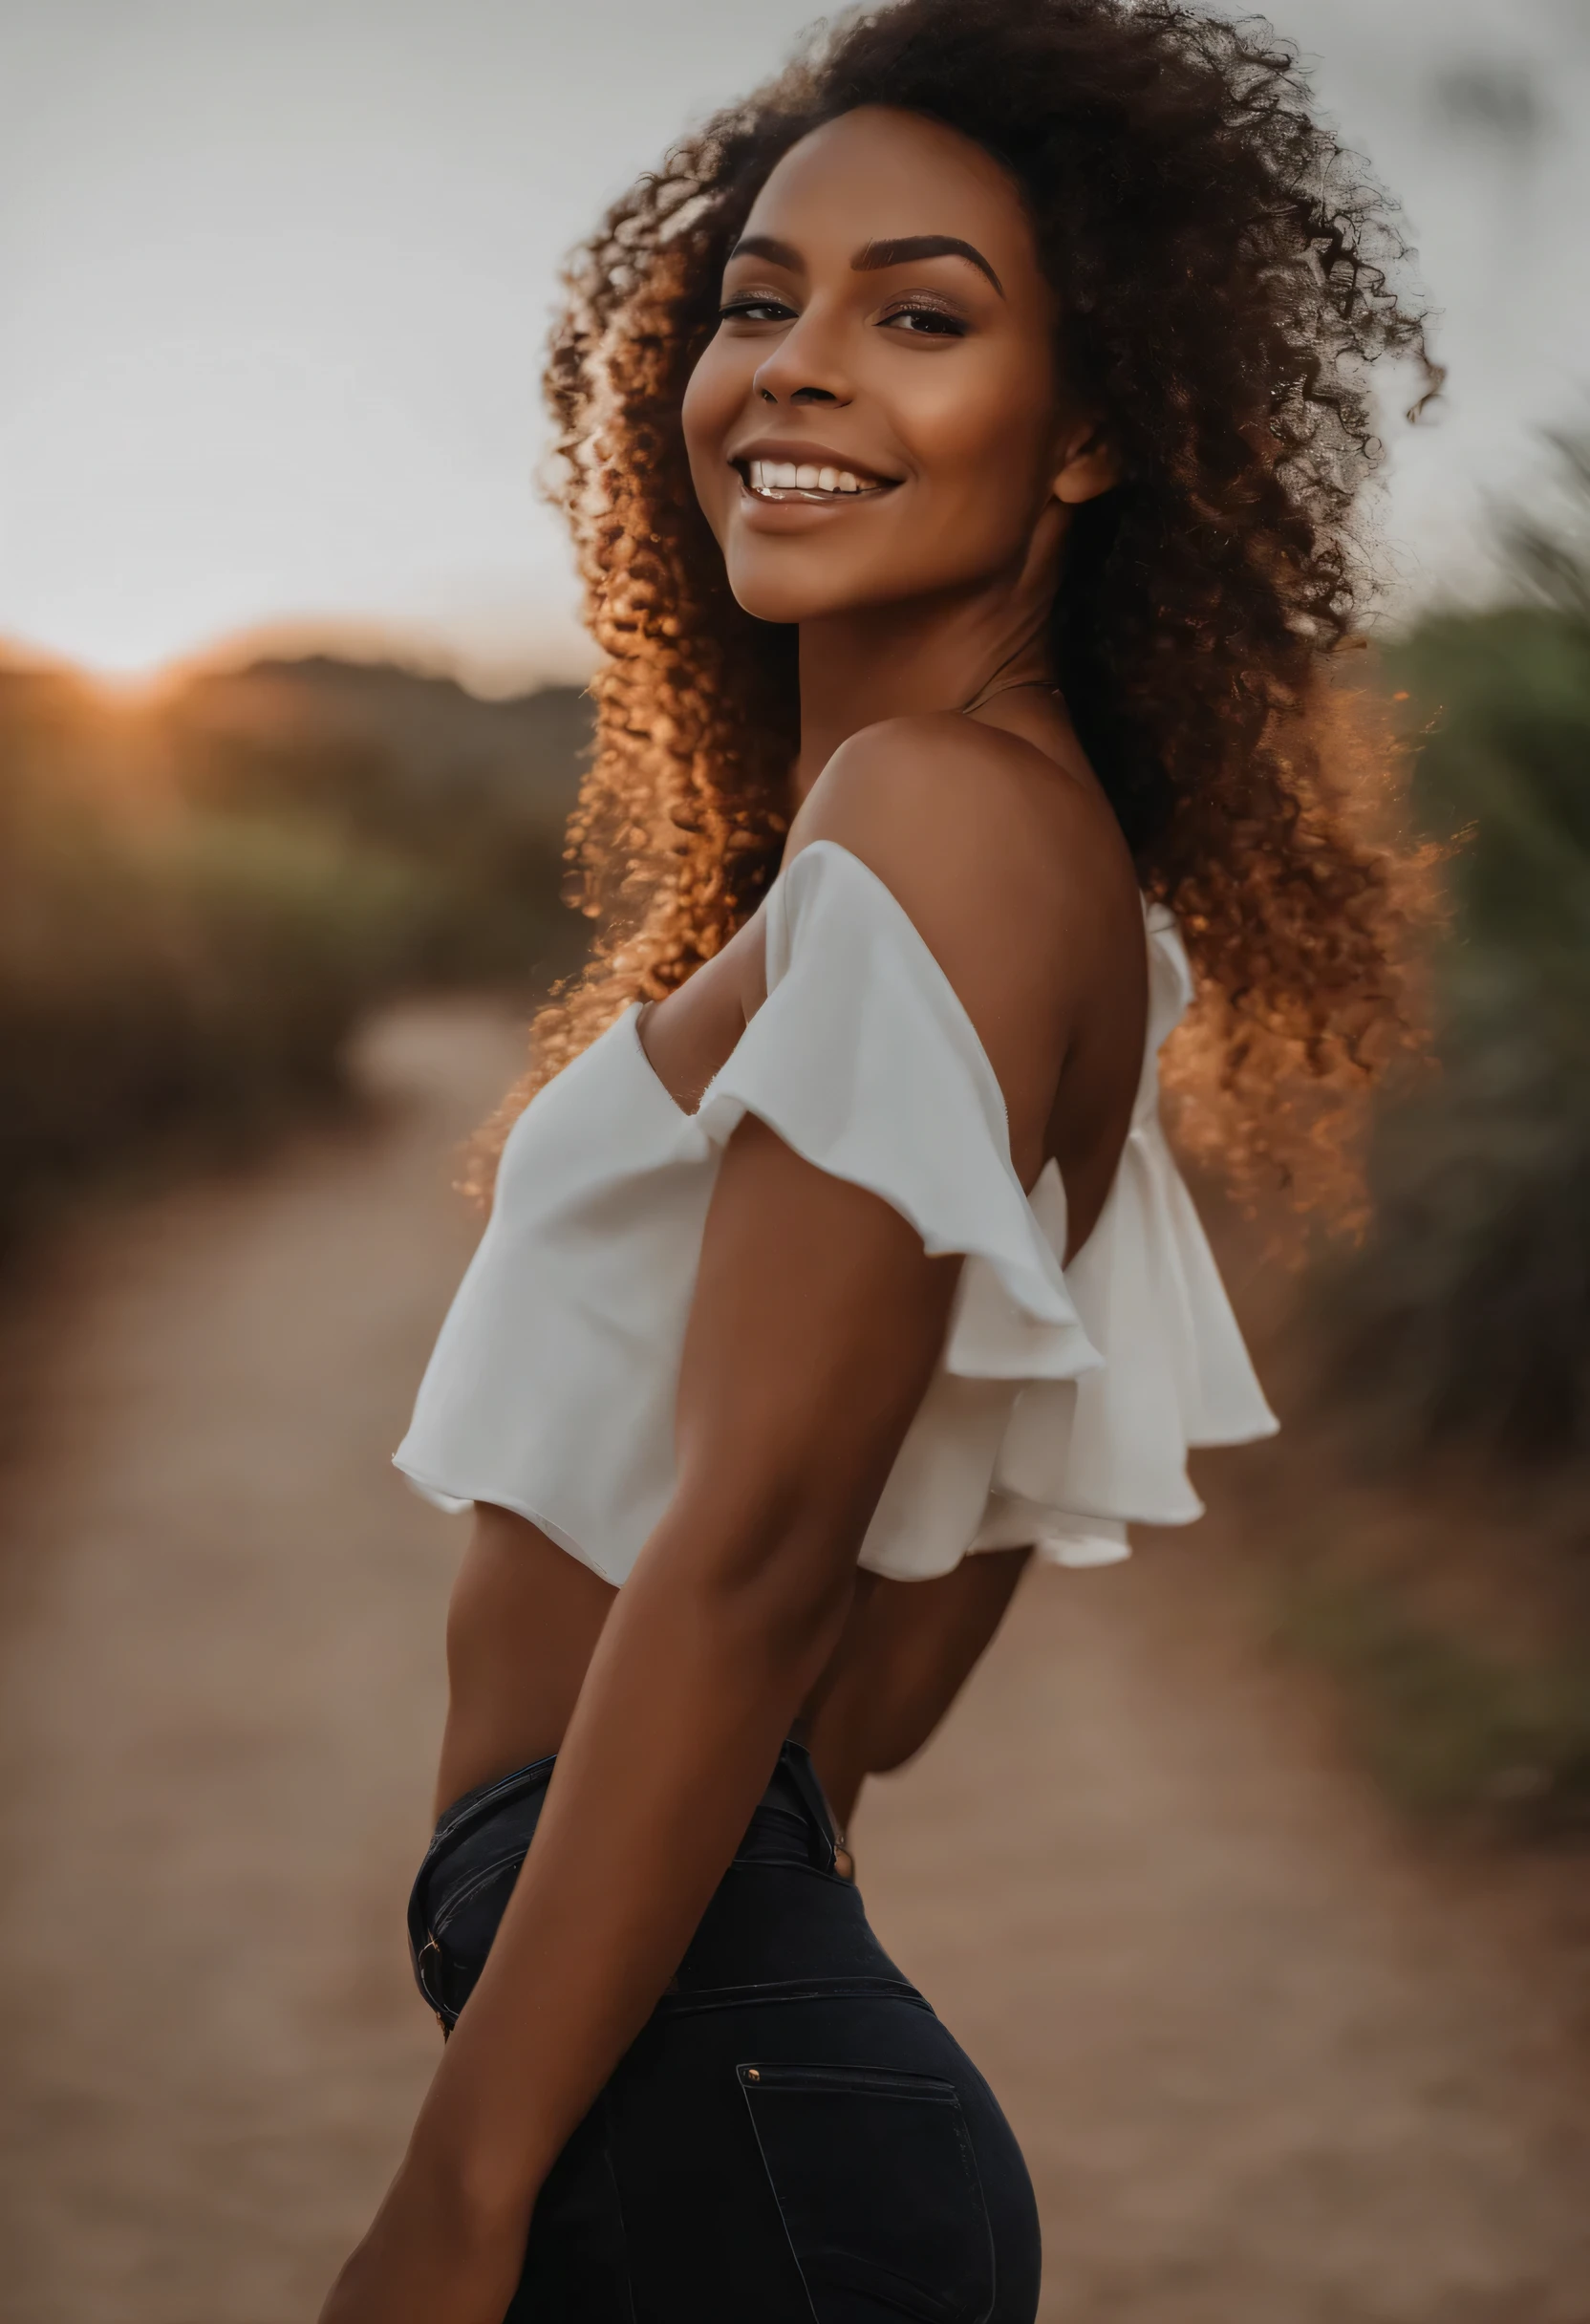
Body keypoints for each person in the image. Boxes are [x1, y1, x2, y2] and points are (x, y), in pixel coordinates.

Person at [321, 3, 1434, 2316]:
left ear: (1098, 422)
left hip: (703, 2100)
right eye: (757, 299)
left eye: (918, 314)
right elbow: (884, 1684)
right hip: (745, 2071)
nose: (798, 367)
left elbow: (752, 1558)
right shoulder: (1051, 884)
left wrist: (454, 2196)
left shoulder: (932, 824)